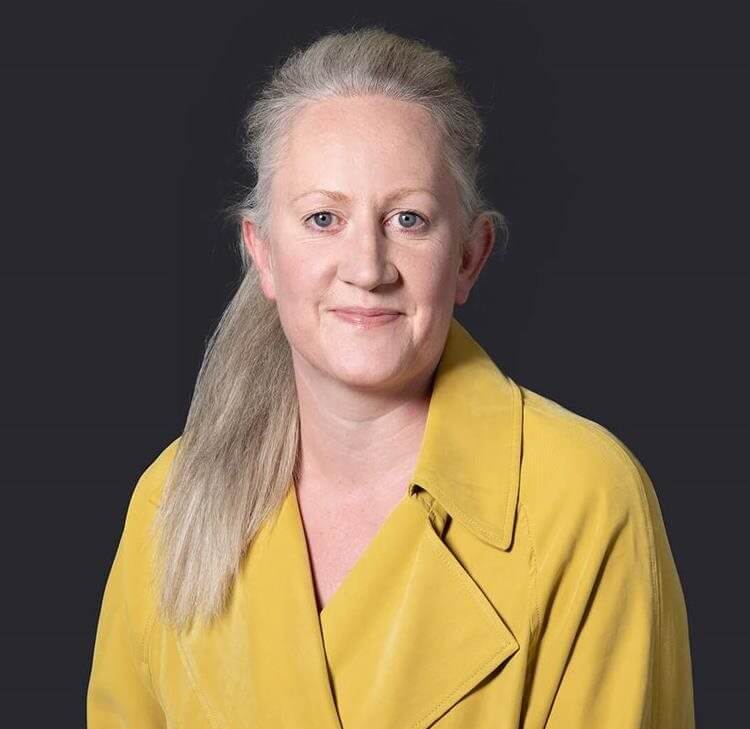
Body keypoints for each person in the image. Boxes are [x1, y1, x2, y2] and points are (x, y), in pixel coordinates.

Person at [86, 25, 696, 728]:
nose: (368, 268)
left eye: (408, 219)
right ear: (264, 255)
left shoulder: (585, 499)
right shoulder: (170, 499)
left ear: (468, 257)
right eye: (323, 218)